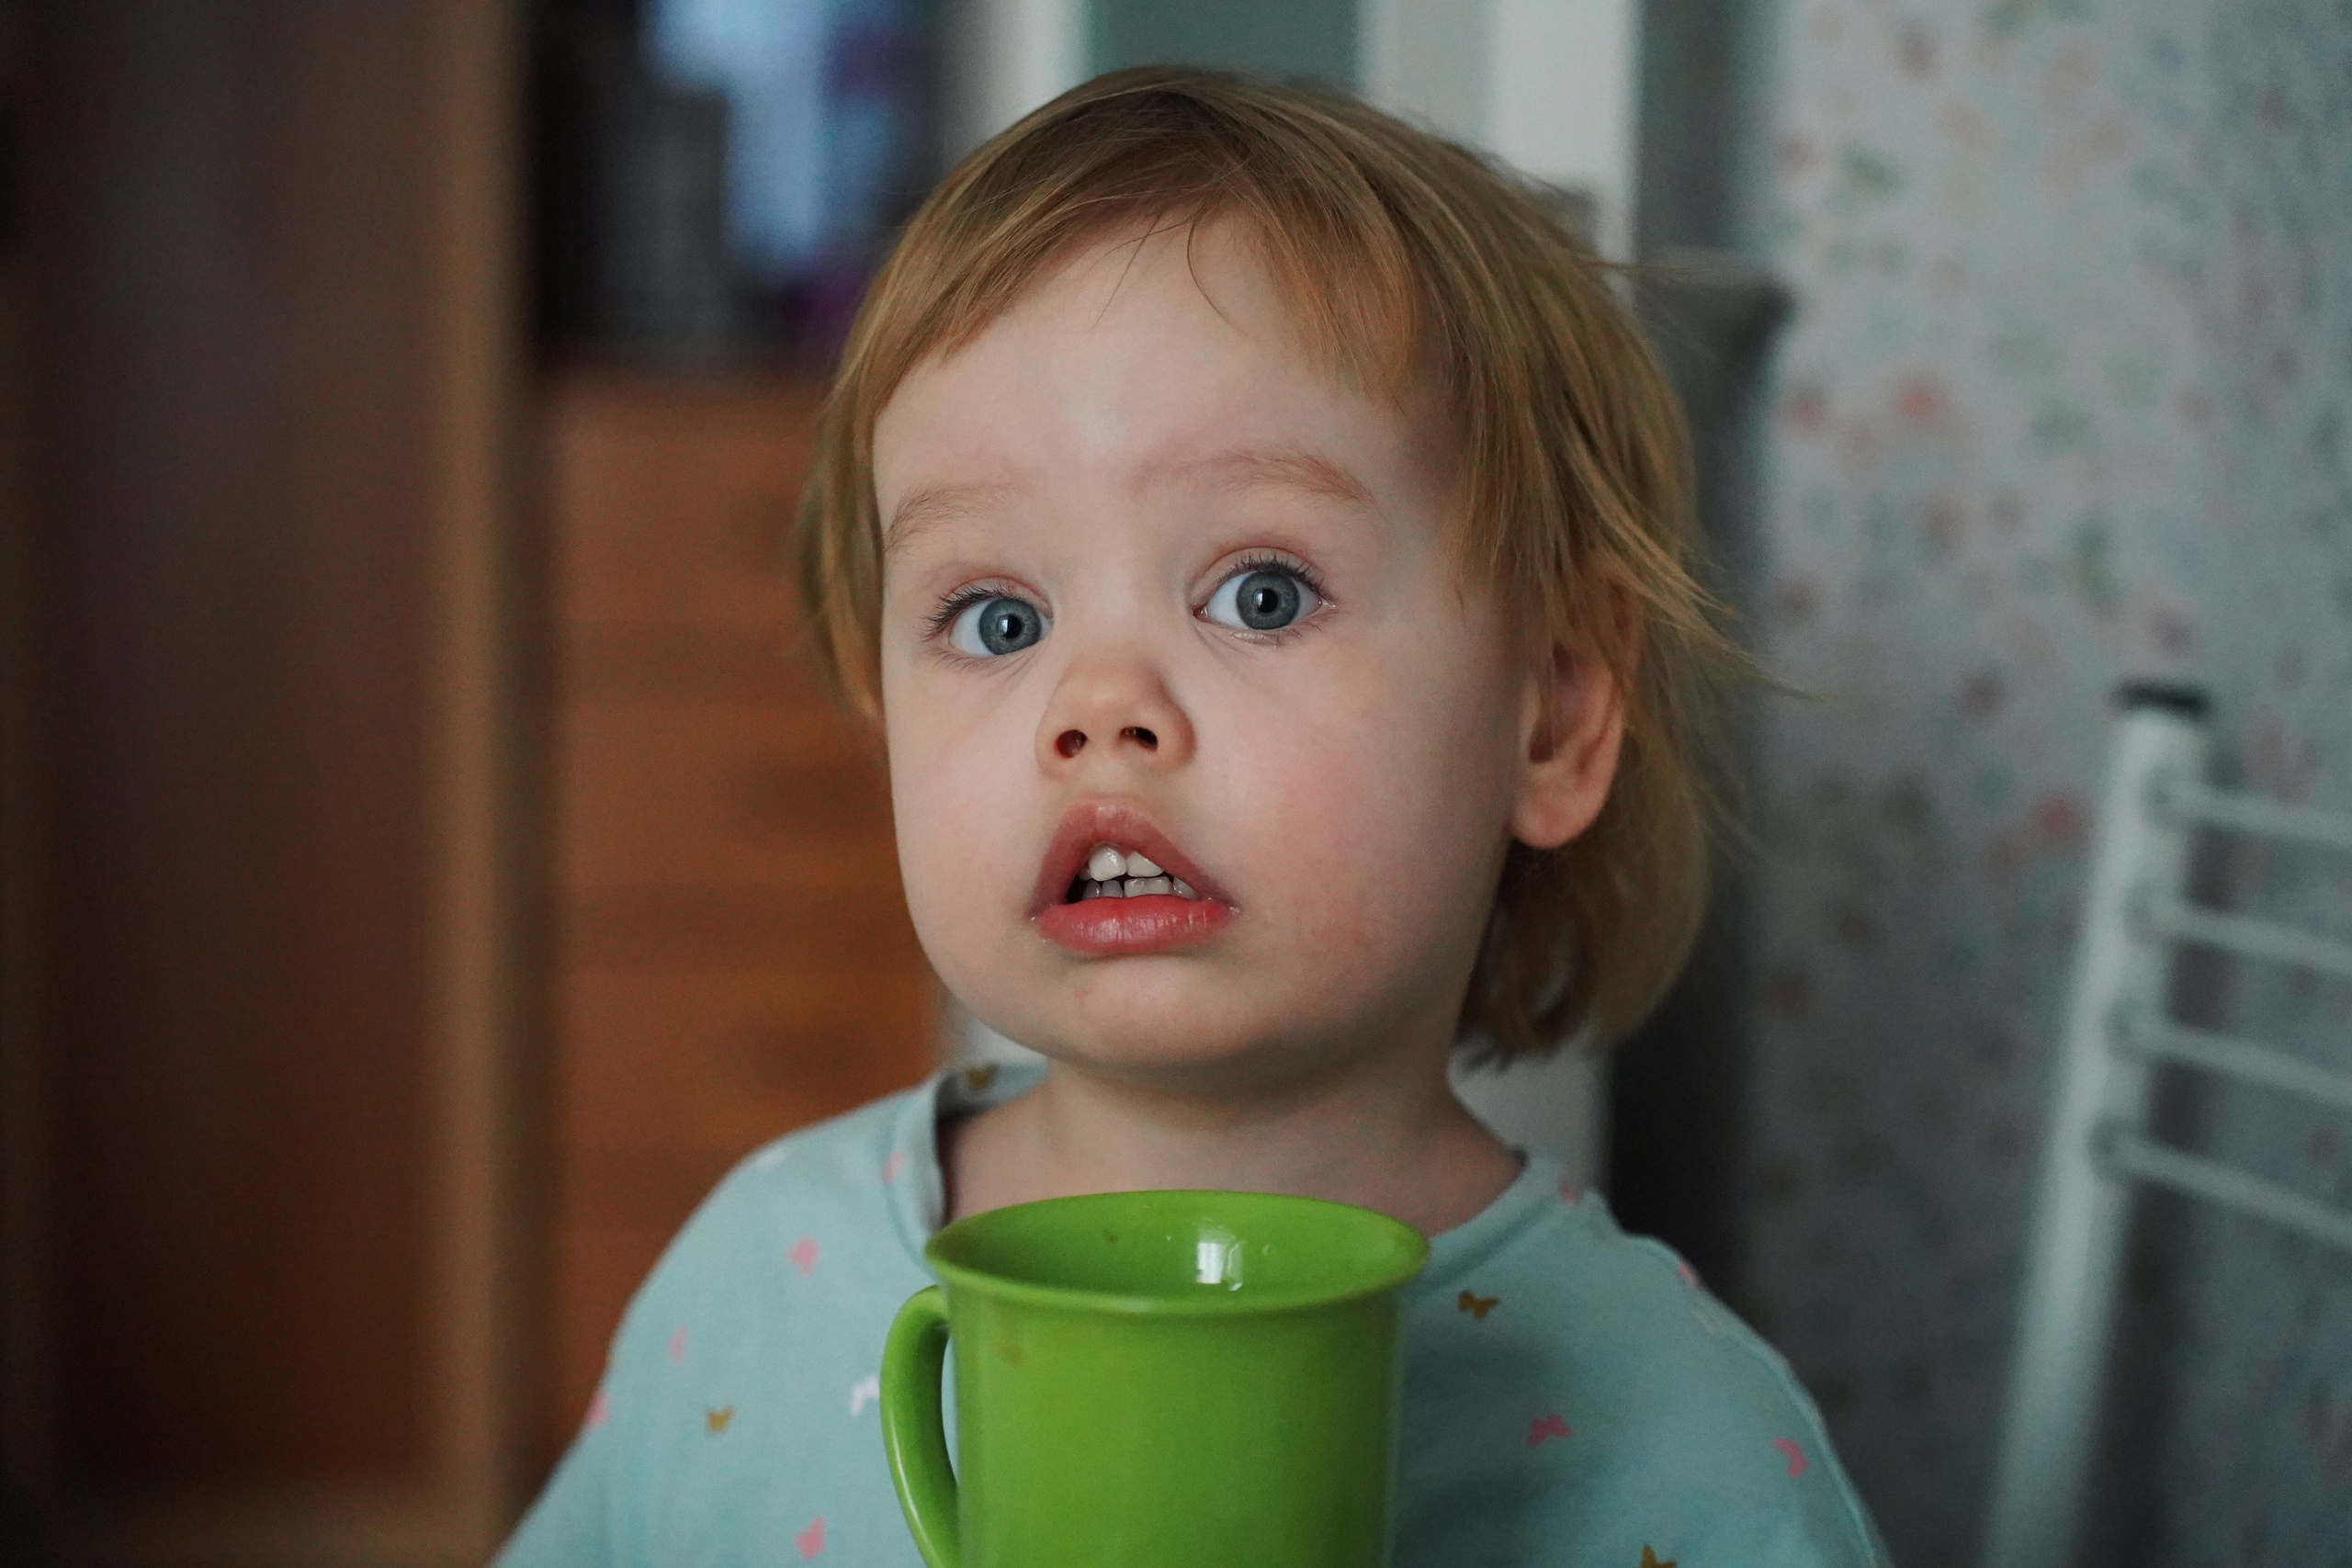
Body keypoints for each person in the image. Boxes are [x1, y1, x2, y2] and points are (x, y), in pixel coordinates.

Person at [495, 66, 1887, 1567]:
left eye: (1261, 594)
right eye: (996, 618)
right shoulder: (757, 1279)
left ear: (1548, 716)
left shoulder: (1687, 1445)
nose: (1098, 706)